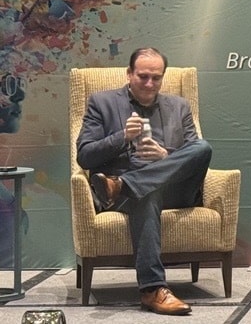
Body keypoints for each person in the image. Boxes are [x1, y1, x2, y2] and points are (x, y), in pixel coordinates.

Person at [76, 47, 212, 315]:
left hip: (169, 189)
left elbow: (193, 154)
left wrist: (166, 155)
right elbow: (84, 156)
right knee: (146, 194)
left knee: (203, 147)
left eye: (156, 77)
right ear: (129, 74)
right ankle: (152, 290)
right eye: (143, 76)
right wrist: (122, 138)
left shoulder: (179, 106)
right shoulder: (101, 103)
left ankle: (124, 184)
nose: (150, 83)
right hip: (126, 199)